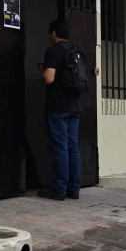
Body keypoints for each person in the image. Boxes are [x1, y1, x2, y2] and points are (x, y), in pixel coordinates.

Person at [37, 19, 83, 201]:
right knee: (73, 148)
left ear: (54, 33)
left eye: (50, 33)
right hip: (75, 107)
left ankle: (59, 189)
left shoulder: (53, 51)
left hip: (58, 108)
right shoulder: (75, 51)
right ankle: (74, 189)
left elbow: (49, 78)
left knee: (60, 148)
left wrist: (41, 67)